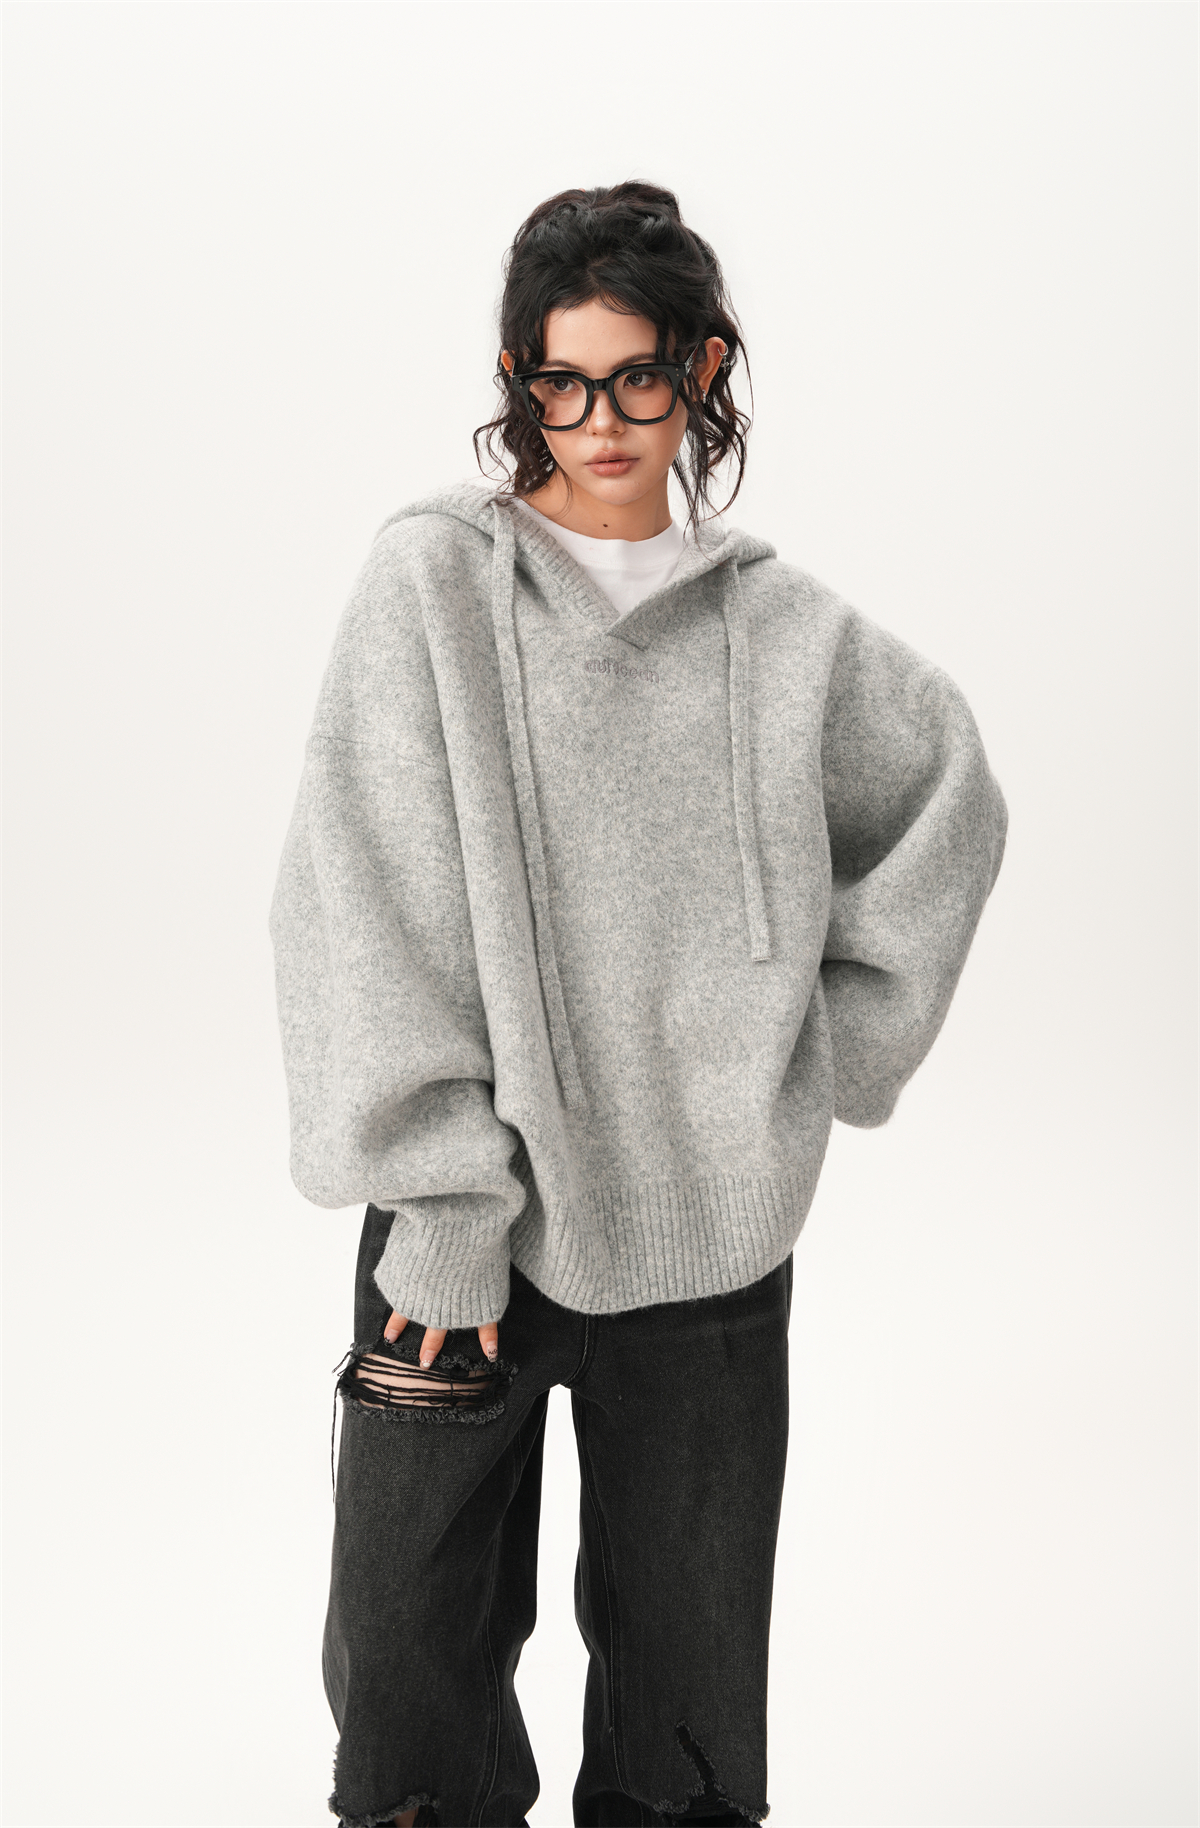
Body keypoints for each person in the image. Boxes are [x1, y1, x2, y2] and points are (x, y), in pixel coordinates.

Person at [268, 180, 1008, 1828]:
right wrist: (441, 1209)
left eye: (637, 378)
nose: (598, 421)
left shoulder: (791, 636)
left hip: (713, 1240)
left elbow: (950, 798)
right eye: (559, 381)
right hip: (462, 1232)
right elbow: (358, 906)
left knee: (687, 1729)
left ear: (702, 368)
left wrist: (822, 1057)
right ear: (517, 381)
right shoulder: (433, 588)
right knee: (406, 1711)